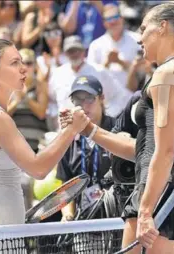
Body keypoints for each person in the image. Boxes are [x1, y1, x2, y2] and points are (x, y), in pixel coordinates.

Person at [61, 2, 174, 253]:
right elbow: (144, 151)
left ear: (162, 27)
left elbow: (164, 152)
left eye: (143, 29)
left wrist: (146, 210)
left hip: (163, 195)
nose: (139, 38)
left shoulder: (169, 74)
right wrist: (89, 130)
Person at [0, 38, 89, 227]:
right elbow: (38, 169)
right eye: (14, 63)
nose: (23, 69)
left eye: (22, 62)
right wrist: (71, 130)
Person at [57, 75, 116, 253]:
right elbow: (66, 187)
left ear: (102, 98)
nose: (83, 105)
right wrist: (67, 215)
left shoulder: (118, 130)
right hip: (84, 225)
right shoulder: (68, 137)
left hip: (119, 222)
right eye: (77, 100)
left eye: (89, 98)